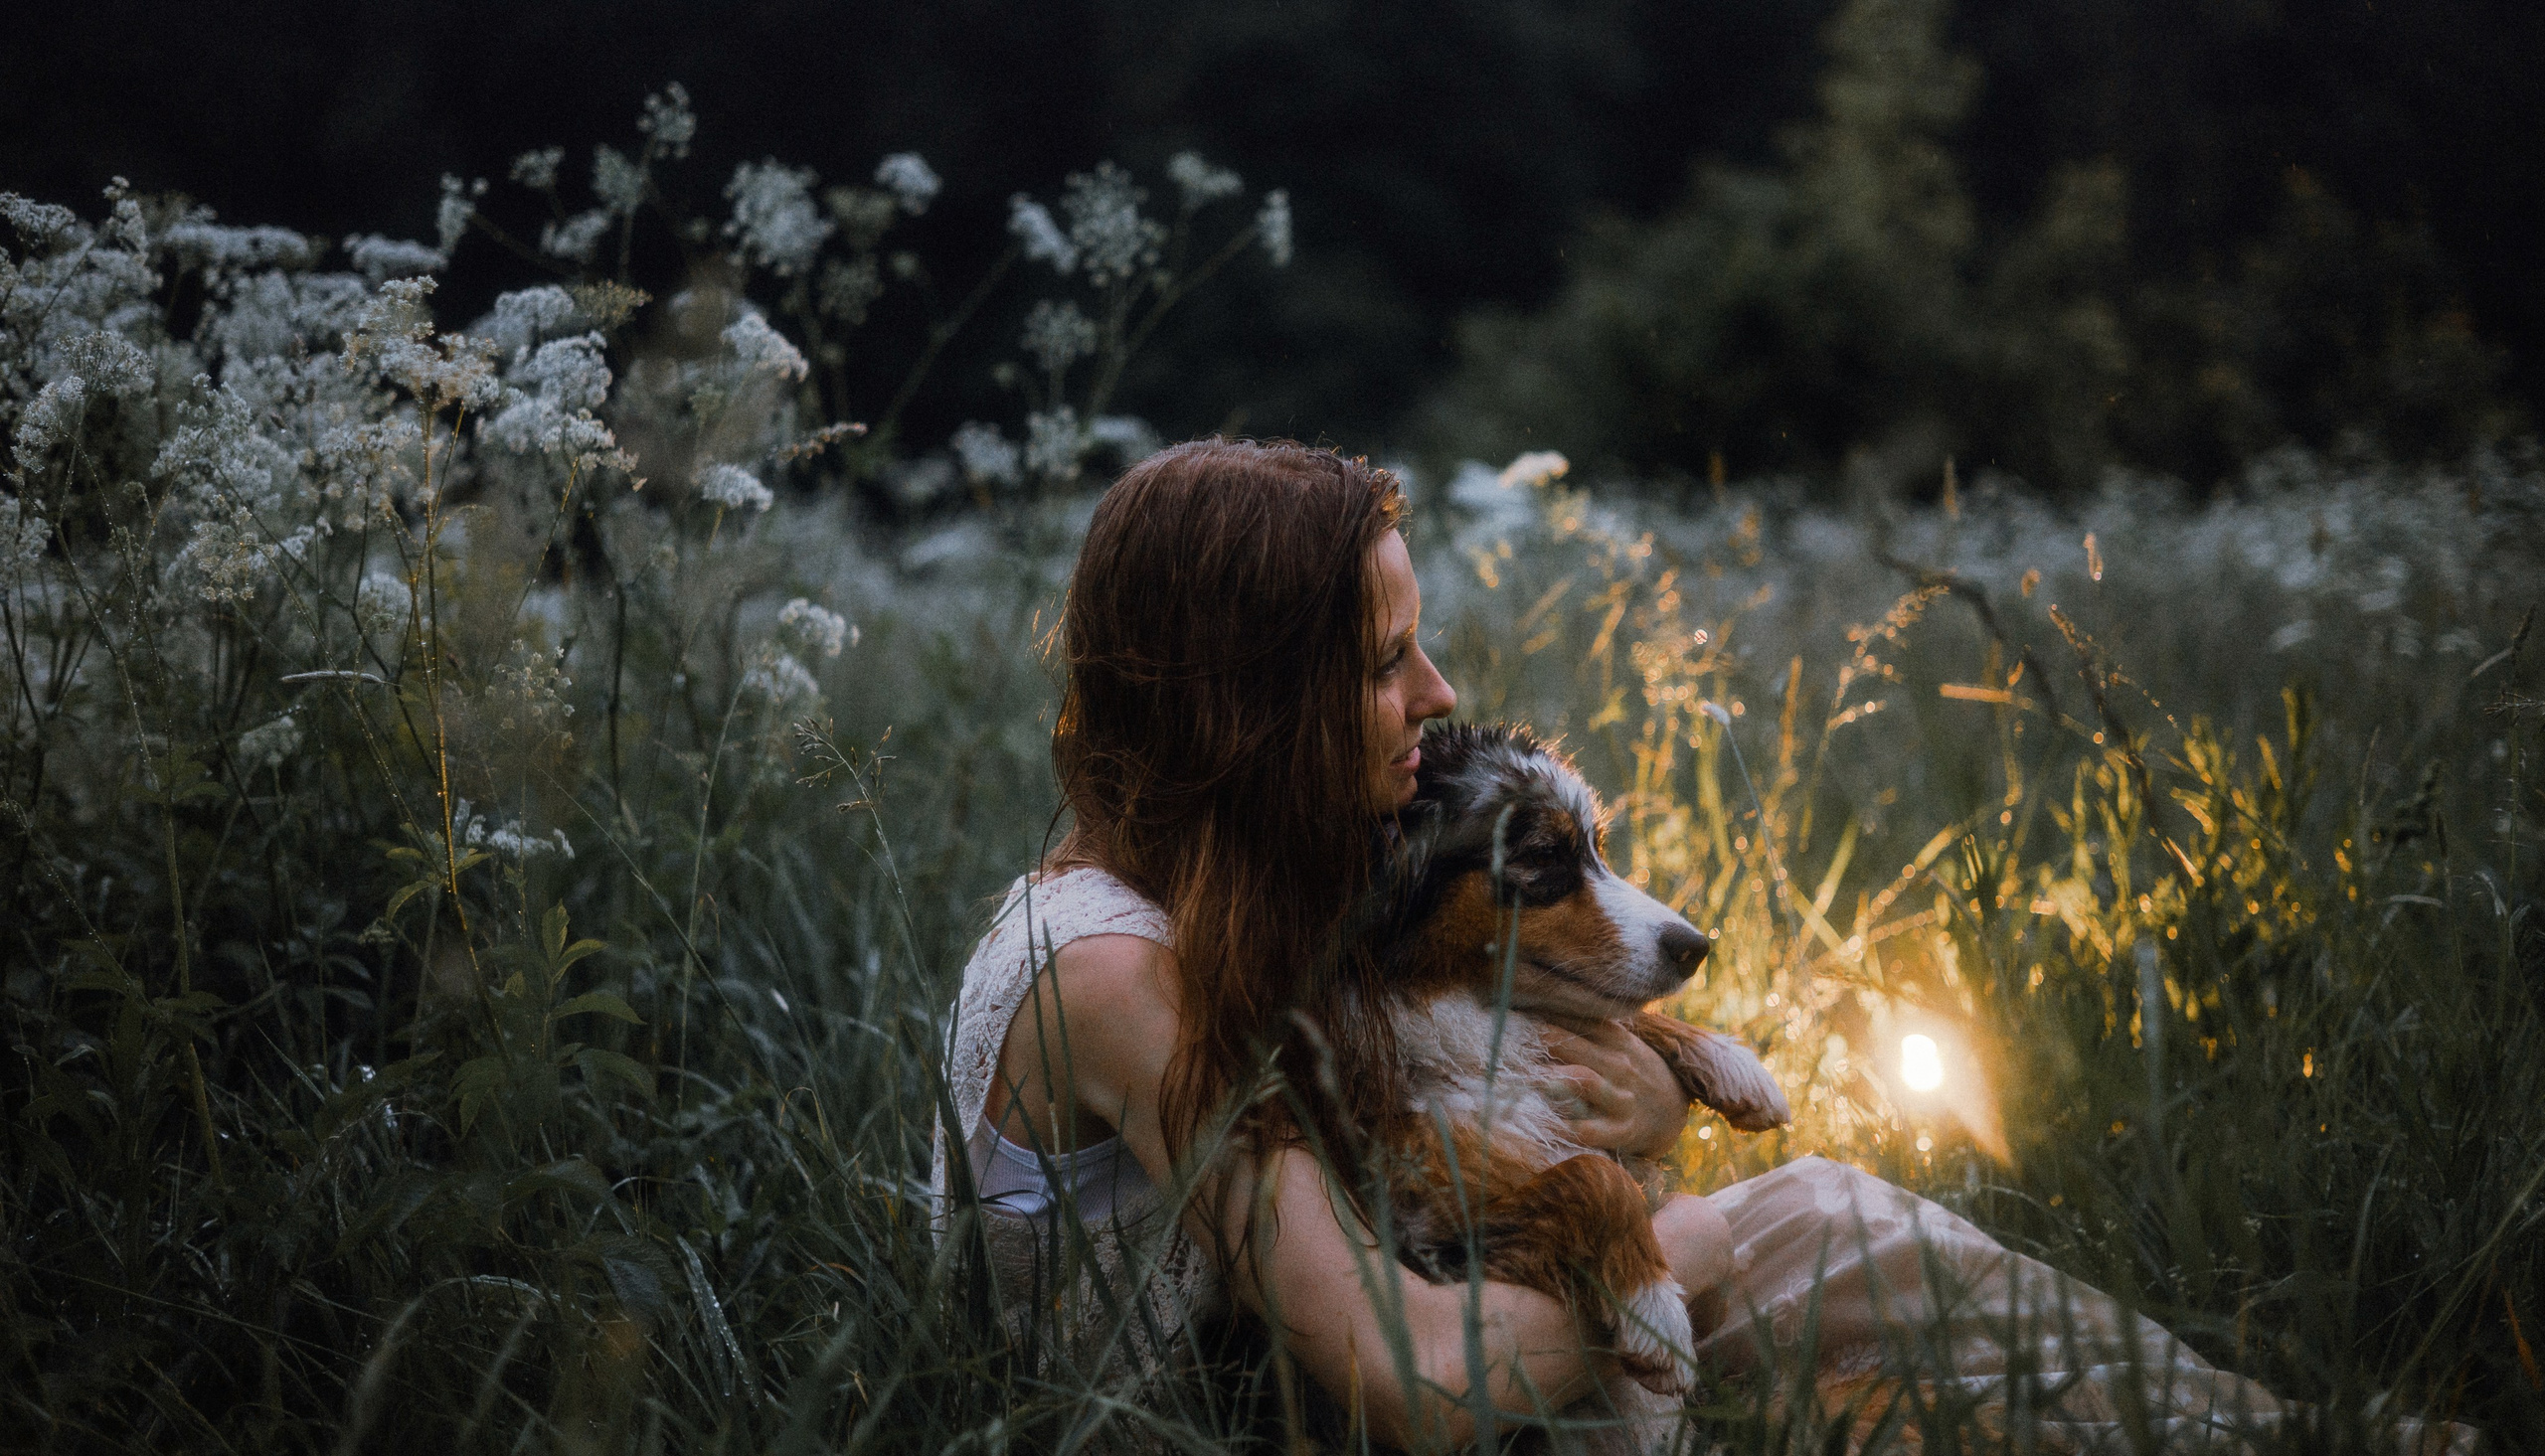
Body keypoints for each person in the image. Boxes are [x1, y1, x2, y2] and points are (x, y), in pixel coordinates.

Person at [932, 439, 2476, 1454]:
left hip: (1399, 1351)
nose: (1438, 689)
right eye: (1386, 658)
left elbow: (1460, 1039)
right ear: (1250, 708)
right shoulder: (1112, 977)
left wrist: (1661, 1100)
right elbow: (1414, 1384)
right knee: (1816, 1222)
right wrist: (1704, 1235)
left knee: (1886, 1329)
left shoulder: (1235, 883)